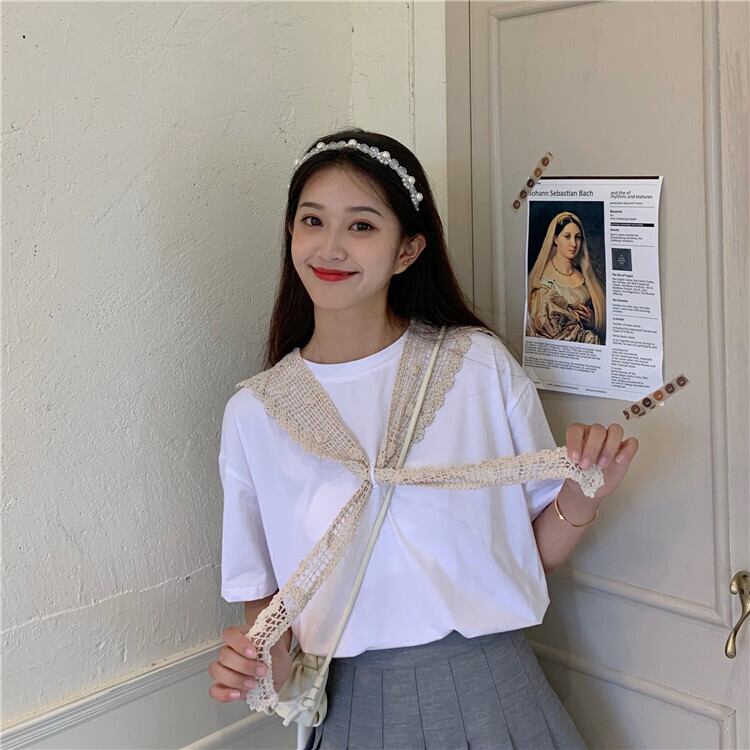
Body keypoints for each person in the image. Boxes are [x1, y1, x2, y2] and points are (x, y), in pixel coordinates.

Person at [207, 128, 639, 749]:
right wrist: (252, 667)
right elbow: (268, 618)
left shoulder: (476, 364)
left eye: (361, 225)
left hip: (498, 693)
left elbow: (532, 552)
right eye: (312, 221)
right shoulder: (256, 413)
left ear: (407, 250)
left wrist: (586, 489)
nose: (330, 247)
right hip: (354, 712)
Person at [526, 212, 607, 345]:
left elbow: (603, 319)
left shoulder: (586, 276)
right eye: (567, 236)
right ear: (555, 239)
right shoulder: (542, 281)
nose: (574, 244)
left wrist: (594, 321)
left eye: (578, 237)